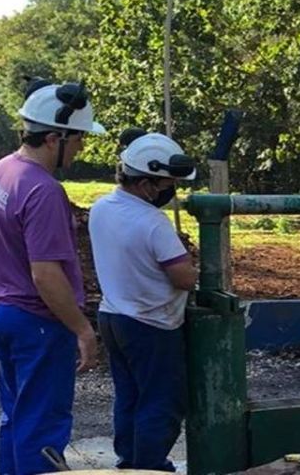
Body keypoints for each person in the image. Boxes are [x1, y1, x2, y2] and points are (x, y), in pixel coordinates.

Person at [0, 80, 105, 475]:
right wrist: (83, 330)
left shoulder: (1, 170)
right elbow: (46, 274)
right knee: (42, 428)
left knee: (16, 417)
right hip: (37, 322)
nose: (83, 146)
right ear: (54, 138)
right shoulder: (44, 190)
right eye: (79, 138)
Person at [88, 131, 198, 472]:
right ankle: (150, 465)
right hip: (151, 323)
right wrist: (199, 267)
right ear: (147, 184)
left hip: (112, 315)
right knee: (161, 400)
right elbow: (182, 277)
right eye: (166, 184)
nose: (170, 191)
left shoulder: (102, 207)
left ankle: (130, 461)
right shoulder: (152, 223)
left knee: (130, 396)